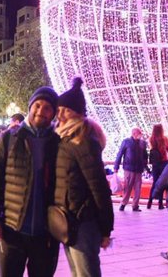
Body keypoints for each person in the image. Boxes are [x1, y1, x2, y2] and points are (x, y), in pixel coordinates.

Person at [0, 86, 61, 277]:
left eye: (47, 108)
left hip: (46, 234)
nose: (41, 111)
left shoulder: (59, 143)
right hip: (12, 230)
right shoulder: (8, 139)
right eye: (38, 105)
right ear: (30, 106)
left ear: (53, 114)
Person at [54, 77, 114, 277]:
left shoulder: (84, 142)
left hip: (83, 221)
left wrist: (106, 228)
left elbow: (99, 187)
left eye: (66, 110)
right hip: (68, 220)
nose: (60, 114)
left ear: (78, 114)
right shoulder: (66, 138)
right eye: (59, 109)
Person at [114, 127, 148, 212]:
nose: (140, 135)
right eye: (139, 133)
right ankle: (123, 204)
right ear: (134, 134)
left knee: (138, 188)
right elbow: (120, 154)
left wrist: (146, 167)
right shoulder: (126, 142)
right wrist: (116, 167)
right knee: (127, 187)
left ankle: (135, 205)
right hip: (129, 169)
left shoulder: (143, 143)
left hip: (139, 169)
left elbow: (145, 156)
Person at [147, 124, 168, 210]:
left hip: (155, 163)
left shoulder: (151, 139)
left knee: (155, 182)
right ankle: (160, 203)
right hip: (164, 162)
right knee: (163, 182)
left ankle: (149, 202)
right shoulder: (164, 139)